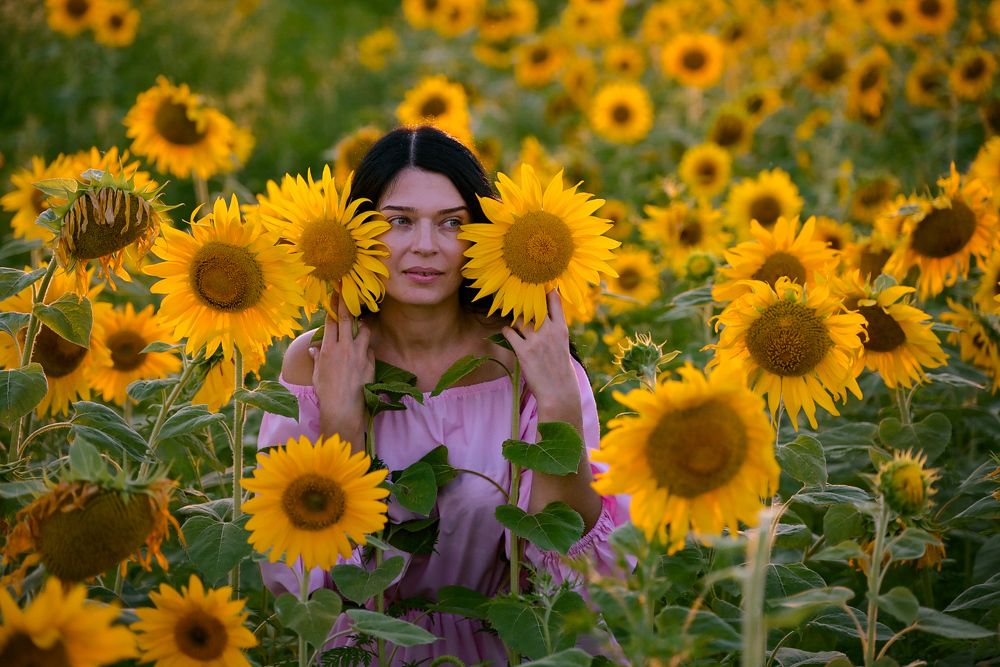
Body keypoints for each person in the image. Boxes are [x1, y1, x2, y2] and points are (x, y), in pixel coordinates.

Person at [257, 125, 627, 664]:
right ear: (360, 230)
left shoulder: (524, 361)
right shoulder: (318, 363)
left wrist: (561, 408)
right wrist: (342, 425)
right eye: (399, 222)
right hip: (372, 648)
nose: (425, 247)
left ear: (481, 234)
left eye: (452, 223)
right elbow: (301, 579)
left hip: (518, 648)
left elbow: (566, 569)